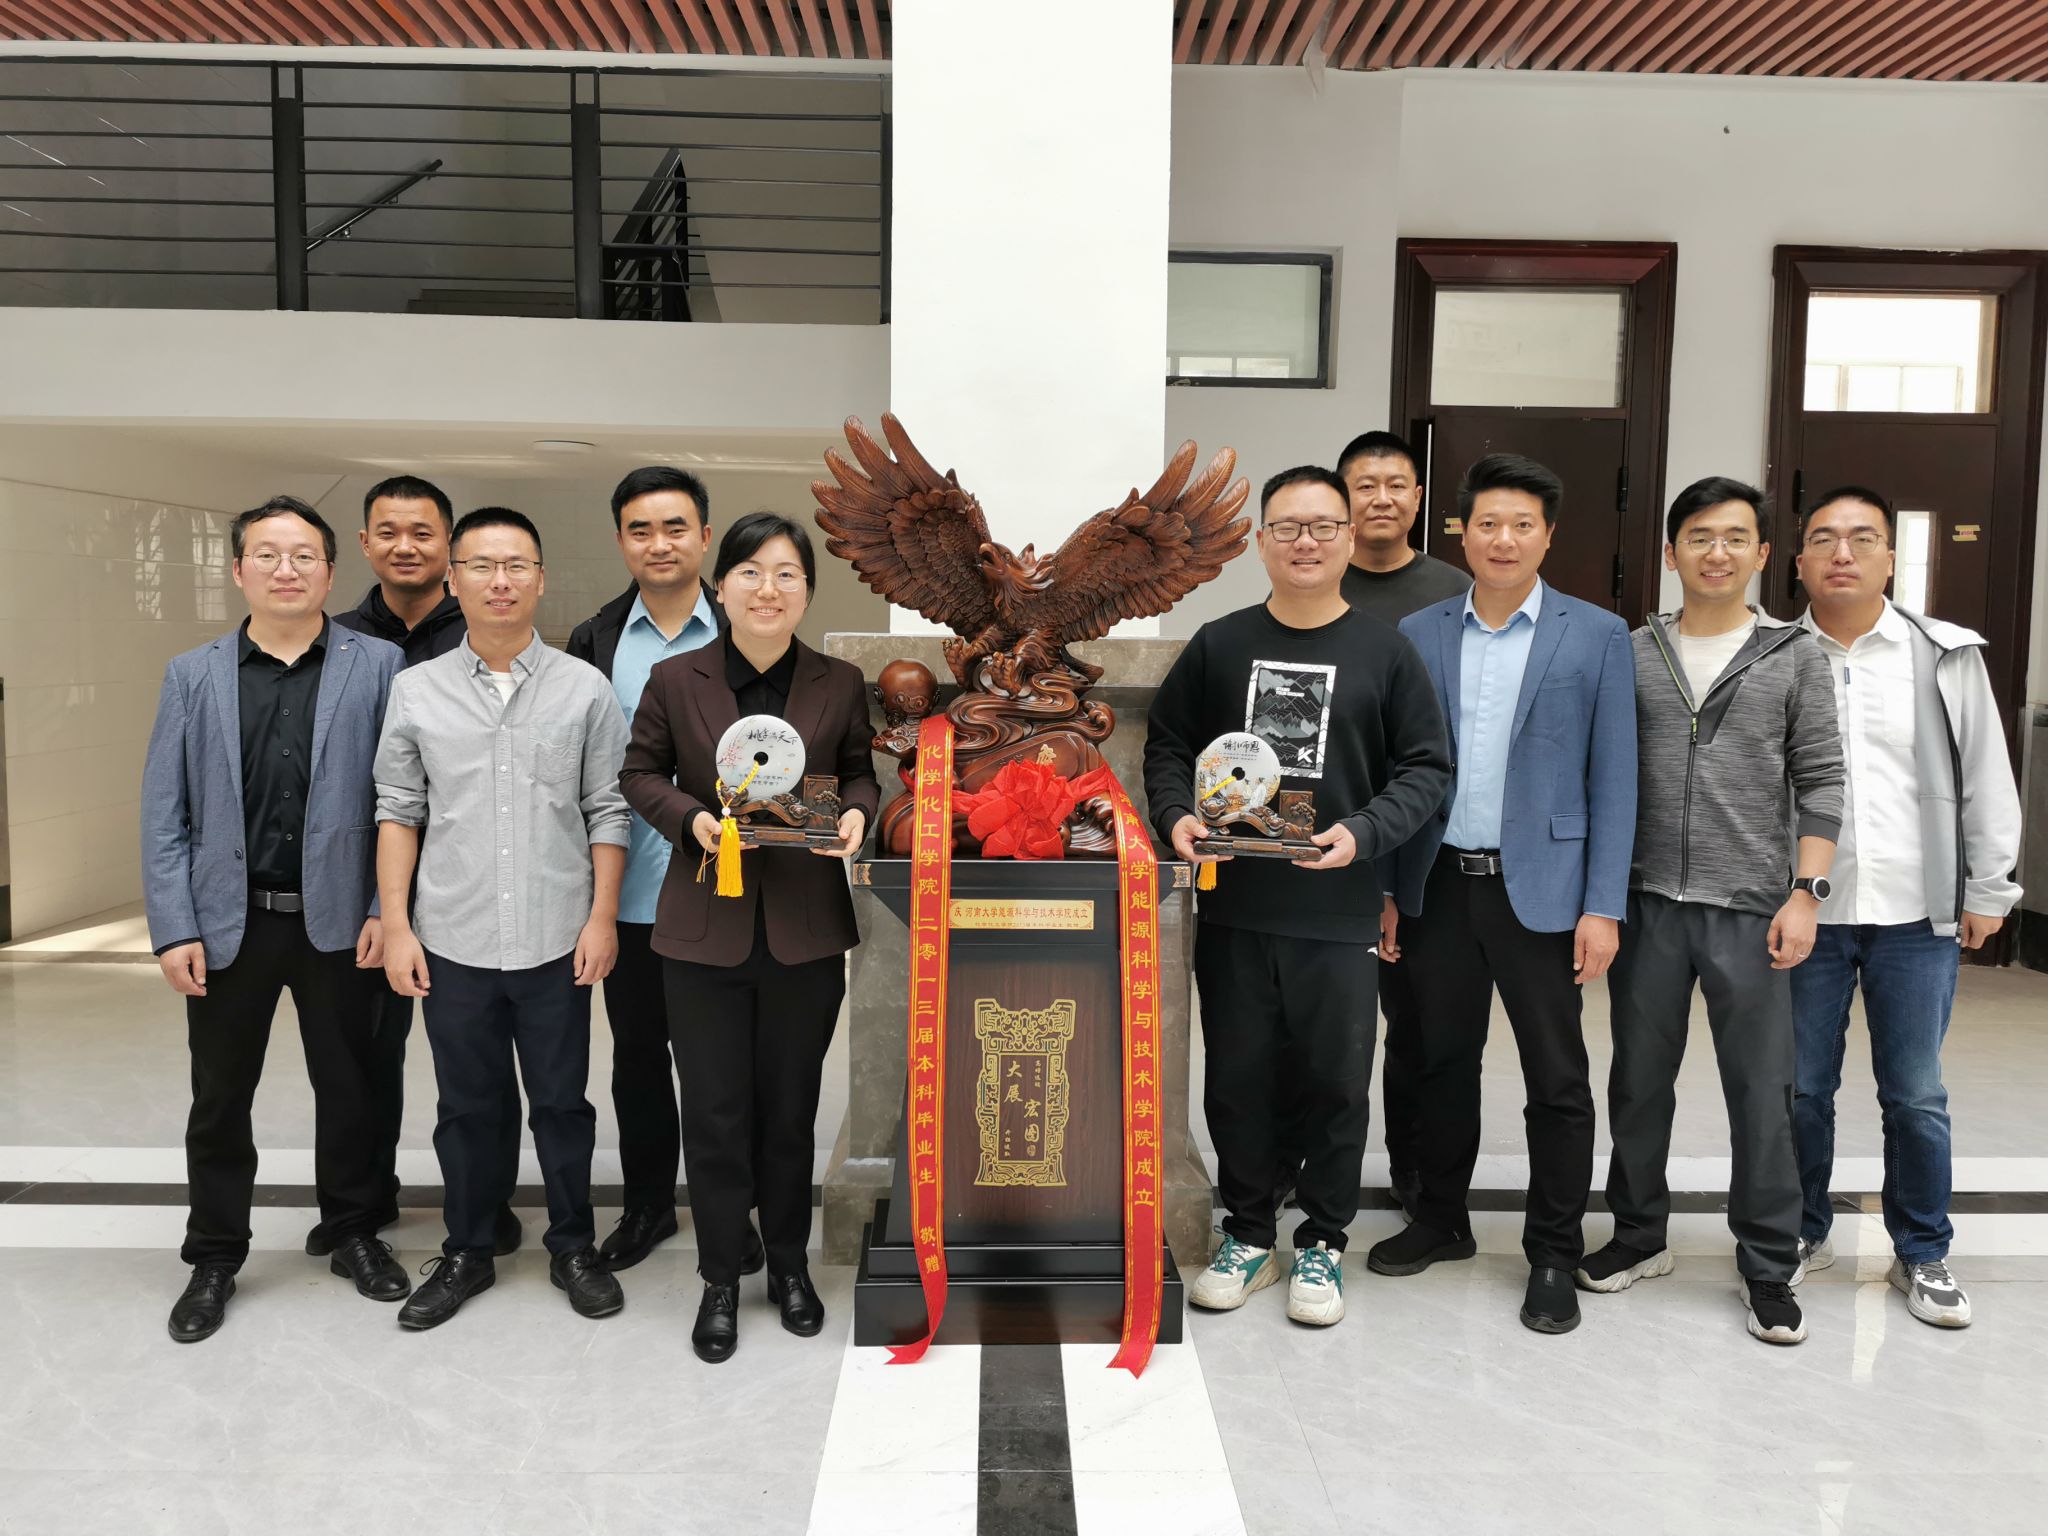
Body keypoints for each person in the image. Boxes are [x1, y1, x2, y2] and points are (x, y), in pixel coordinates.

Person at [1144, 466, 1451, 1329]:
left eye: (1322, 526)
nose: (1305, 542)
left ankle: (1322, 1239)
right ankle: (1248, 1233)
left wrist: (1365, 831)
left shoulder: (1387, 652)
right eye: (1287, 527)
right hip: (1235, 904)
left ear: (1350, 540)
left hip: (1338, 906)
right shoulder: (1220, 643)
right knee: (1238, 1076)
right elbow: (1167, 746)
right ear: (1260, 543)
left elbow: (1426, 767)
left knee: (1336, 1082)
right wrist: (1174, 817)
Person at [1368, 453, 1637, 1336]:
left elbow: (1615, 781)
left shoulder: (1596, 635)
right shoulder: (1420, 631)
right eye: (1488, 523)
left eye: (1523, 524)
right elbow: (1398, 770)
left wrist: (1603, 906)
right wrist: (1388, 889)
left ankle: (1552, 1251)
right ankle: (1441, 1219)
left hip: (1546, 893)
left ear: (1548, 536)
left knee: (1556, 1077)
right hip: (1437, 882)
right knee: (1439, 1062)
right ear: (1462, 533)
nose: (1504, 539)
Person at [1581, 476, 1842, 1346]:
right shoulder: (1630, 650)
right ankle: (1638, 1233)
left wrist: (1806, 893)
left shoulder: (1794, 655)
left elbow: (1822, 780)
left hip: (1752, 907)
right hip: (1647, 901)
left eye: (1735, 537)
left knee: (1761, 1093)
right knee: (1638, 1081)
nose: (1716, 552)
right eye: (1699, 536)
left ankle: (1768, 1262)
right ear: (1671, 552)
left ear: (1763, 554)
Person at [142, 494, 407, 1342]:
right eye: (267, 554)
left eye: (303, 556)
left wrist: (386, 907)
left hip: (344, 922)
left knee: (352, 1087)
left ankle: (354, 1231)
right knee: (220, 1098)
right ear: (238, 570)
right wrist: (174, 927)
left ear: (330, 571)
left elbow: (405, 799)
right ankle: (215, 1255)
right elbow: (165, 812)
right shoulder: (193, 674)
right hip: (231, 925)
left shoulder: (380, 665)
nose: (285, 569)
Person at [620, 511, 878, 1363]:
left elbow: (861, 773)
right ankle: (721, 1276)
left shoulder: (839, 682)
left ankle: (791, 1266)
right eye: (751, 573)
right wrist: (688, 818)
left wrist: (856, 815)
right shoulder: (675, 678)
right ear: (721, 587)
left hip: (805, 930)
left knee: (791, 1109)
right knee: (715, 1113)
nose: (769, 590)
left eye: (787, 575)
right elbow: (639, 773)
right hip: (703, 931)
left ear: (806, 591)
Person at [374, 507, 629, 1330]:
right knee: (467, 1108)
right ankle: (468, 1250)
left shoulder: (585, 688)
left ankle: (573, 1246)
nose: (500, 581)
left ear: (541, 579)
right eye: (481, 566)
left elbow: (608, 808)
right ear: (453, 580)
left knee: (562, 1105)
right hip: (454, 937)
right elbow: (398, 810)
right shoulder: (416, 690)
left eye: (516, 565)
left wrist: (602, 918)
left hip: (557, 937)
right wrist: (397, 926)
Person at [1790, 486, 2023, 1329]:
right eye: (1824, 538)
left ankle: (1922, 1250)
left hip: (1916, 915)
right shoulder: (1775, 652)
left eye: (1863, 538)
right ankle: (1800, 1230)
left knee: (1916, 1093)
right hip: (1805, 915)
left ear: (1891, 557)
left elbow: (1985, 775)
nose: (1842, 553)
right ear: (1799, 560)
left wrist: (1990, 887)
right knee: (1799, 1089)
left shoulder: (1945, 655)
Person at [565, 467, 761, 1275]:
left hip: (726, 892)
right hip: (632, 896)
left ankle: (736, 1214)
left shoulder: (750, 628)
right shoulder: (595, 640)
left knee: (729, 1069)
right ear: (620, 541)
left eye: (676, 527)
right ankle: (648, 1205)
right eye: (640, 530)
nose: (659, 543)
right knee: (640, 1062)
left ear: (705, 537)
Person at [326, 473, 521, 1262]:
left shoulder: (484, 634)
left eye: (423, 532)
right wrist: (381, 904)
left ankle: (487, 1208)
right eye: (388, 531)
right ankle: (360, 1207)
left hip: (471, 889)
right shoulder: (336, 640)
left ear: (450, 547)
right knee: (359, 1060)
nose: (405, 546)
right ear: (364, 543)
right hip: (360, 894)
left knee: (477, 1067)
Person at [1312, 429, 1471, 1221]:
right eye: (1363, 485)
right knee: (1314, 1030)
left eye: (1395, 483)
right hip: (1318, 849)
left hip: (1423, 849)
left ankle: (1416, 1179)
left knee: (1419, 1029)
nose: (1380, 497)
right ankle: (1297, 1172)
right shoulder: (1315, 583)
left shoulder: (1454, 593)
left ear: (1418, 497)